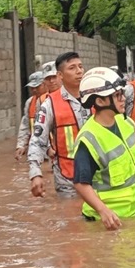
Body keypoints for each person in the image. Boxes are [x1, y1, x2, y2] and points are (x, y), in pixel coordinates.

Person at [72, 67, 135, 230]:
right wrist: (103, 211)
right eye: (117, 95)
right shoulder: (88, 139)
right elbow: (81, 183)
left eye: (122, 93)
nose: (123, 98)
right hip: (109, 221)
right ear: (100, 101)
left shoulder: (127, 123)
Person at [28, 51, 88, 197]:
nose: (79, 71)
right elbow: (37, 140)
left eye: (80, 66)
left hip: (99, 175)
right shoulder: (49, 105)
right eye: (72, 68)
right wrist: (35, 173)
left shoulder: (96, 96)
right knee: (71, 216)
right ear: (60, 75)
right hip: (67, 179)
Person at [15, 71, 47, 161]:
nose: (34, 90)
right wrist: (21, 146)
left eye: (37, 87)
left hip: (51, 150)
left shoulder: (52, 100)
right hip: (36, 148)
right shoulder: (30, 102)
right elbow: (25, 125)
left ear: (45, 84)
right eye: (32, 88)